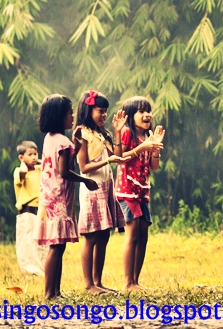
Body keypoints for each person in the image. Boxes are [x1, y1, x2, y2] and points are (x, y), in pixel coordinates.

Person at [36, 94, 98, 300]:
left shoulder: (51, 139)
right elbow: (64, 172)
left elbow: (64, 160)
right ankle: (49, 293)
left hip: (49, 201)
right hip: (59, 202)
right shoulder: (61, 141)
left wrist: (76, 145)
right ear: (59, 116)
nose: (72, 116)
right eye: (69, 113)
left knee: (58, 247)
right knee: (56, 248)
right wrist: (86, 180)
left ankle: (56, 291)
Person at [73, 90, 126, 294]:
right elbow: (84, 167)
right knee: (92, 237)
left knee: (104, 235)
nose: (104, 115)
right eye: (100, 111)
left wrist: (118, 132)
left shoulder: (103, 133)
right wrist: (107, 161)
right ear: (88, 109)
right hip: (92, 188)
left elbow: (118, 157)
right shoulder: (82, 133)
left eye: (105, 111)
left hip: (106, 187)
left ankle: (98, 282)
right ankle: (88, 284)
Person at [113, 96, 164, 291]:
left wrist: (155, 149)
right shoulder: (127, 134)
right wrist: (142, 147)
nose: (147, 115)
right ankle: (127, 282)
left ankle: (135, 280)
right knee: (132, 234)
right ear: (130, 116)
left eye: (148, 111)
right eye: (141, 111)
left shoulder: (148, 136)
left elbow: (154, 167)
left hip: (142, 191)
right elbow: (120, 158)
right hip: (127, 190)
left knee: (143, 235)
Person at [14, 141, 47, 276]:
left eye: (35, 154)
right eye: (30, 155)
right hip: (27, 211)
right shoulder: (19, 171)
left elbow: (48, 164)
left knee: (42, 242)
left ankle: (42, 269)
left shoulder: (40, 170)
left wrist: (38, 161)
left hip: (41, 209)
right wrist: (23, 162)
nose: (34, 157)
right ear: (21, 157)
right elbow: (22, 172)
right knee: (27, 242)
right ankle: (29, 270)